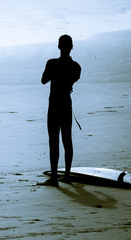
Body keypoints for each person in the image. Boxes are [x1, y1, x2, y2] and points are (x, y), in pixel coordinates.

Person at [37, 34, 81, 186]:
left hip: (54, 105)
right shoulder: (76, 67)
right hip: (66, 105)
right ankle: (67, 175)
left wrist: (54, 71)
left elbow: (43, 80)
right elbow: (72, 81)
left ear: (58, 46)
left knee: (53, 141)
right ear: (71, 47)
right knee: (67, 140)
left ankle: (54, 177)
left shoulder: (52, 63)